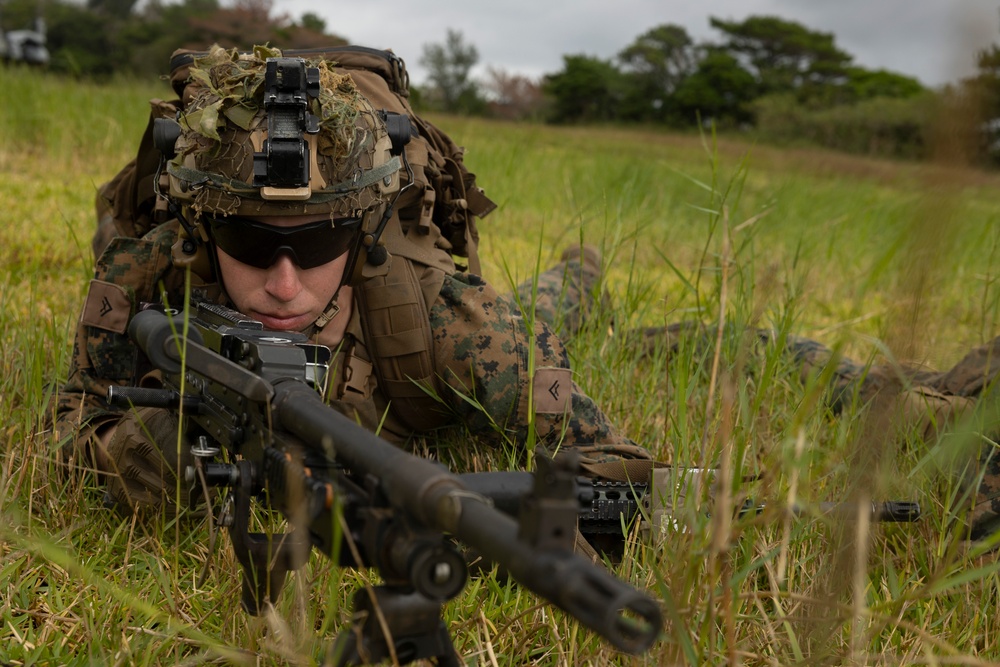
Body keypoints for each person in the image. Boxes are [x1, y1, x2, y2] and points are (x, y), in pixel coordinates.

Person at [51, 46, 653, 517]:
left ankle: (582, 267)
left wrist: (452, 501)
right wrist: (131, 452)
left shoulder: (452, 323)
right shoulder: (148, 275)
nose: (284, 285)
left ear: (363, 234)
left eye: (317, 244)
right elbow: (70, 418)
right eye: (251, 244)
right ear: (201, 234)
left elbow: (619, 466)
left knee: (547, 303)